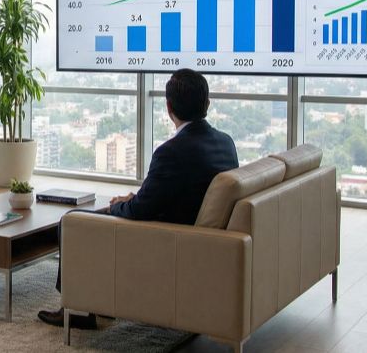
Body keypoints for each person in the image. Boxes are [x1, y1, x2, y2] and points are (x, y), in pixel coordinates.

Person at [37, 68, 239, 330]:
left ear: (168, 107)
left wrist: (118, 206)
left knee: (71, 223)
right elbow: (179, 192)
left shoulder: (171, 152)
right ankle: (98, 301)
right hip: (194, 236)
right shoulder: (225, 143)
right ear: (207, 104)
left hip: (163, 239)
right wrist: (136, 198)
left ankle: (76, 309)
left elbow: (139, 211)